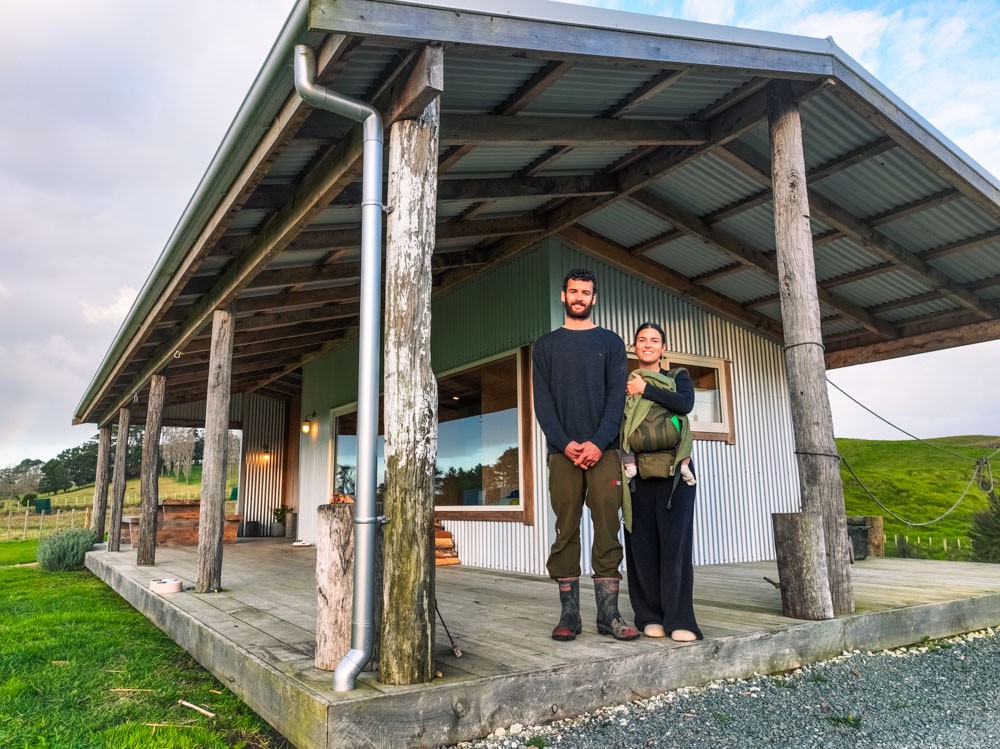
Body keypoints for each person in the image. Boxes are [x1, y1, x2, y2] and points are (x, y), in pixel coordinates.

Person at [532, 268, 639, 642]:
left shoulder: (610, 343)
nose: (579, 297)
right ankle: (570, 615)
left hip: (604, 450)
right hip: (562, 453)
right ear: (563, 296)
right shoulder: (544, 347)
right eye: (573, 291)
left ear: (595, 298)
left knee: (608, 524)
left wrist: (597, 441)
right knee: (566, 527)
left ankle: (609, 614)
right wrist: (565, 443)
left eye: (586, 292)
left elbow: (616, 398)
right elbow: (542, 404)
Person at [621, 322, 703, 642]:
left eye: (654, 340)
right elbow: (620, 424)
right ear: (635, 347)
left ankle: (680, 618)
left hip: (674, 473)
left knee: (675, 546)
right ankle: (648, 615)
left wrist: (646, 390)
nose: (648, 344)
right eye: (642, 340)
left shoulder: (677, 377)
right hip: (638, 472)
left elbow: (685, 404)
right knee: (641, 546)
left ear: (663, 348)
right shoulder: (625, 383)